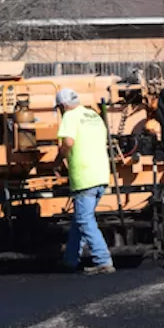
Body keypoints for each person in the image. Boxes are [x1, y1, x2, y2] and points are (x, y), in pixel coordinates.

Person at [55, 87, 115, 275]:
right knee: (80, 219)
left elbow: (69, 142)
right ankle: (70, 259)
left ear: (63, 106)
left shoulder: (70, 117)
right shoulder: (94, 116)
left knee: (84, 219)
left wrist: (59, 159)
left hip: (84, 176)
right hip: (101, 175)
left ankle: (103, 260)